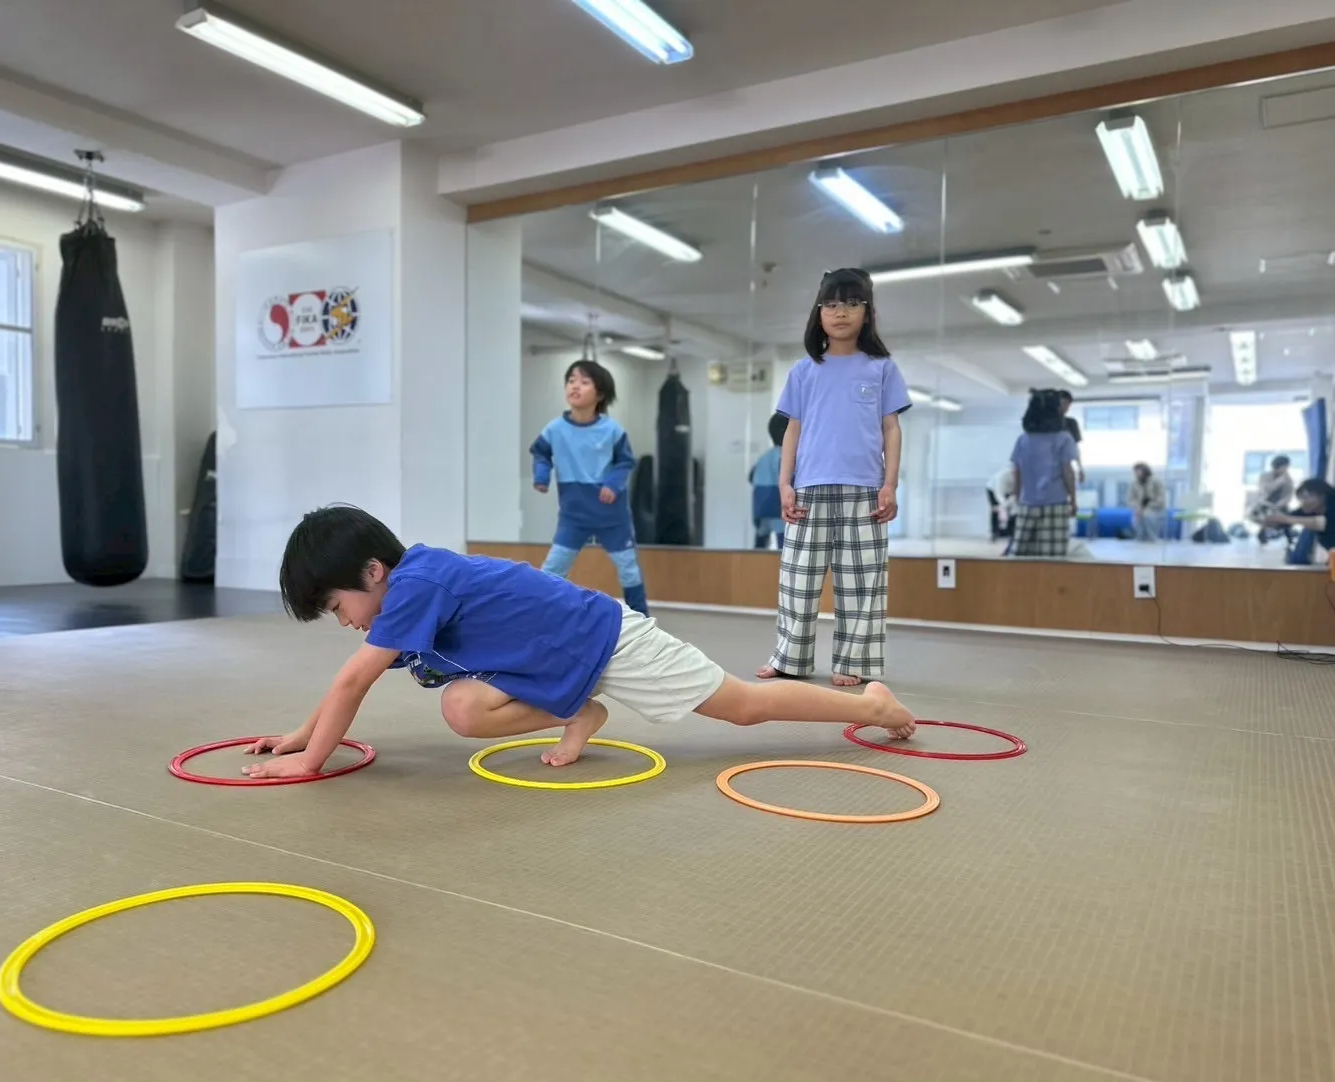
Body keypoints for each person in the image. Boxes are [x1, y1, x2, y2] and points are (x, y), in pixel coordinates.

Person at [240, 505, 917, 779]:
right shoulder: (401, 599)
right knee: (463, 708)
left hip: (605, 638)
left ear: (373, 573)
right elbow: (352, 678)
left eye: (337, 606)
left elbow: (352, 681)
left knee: (742, 706)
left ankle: (871, 705)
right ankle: (581, 709)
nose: (344, 622)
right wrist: (299, 736)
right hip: (554, 659)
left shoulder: (417, 583)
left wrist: (308, 765)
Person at [757, 268, 910, 688]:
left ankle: (853, 661)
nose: (840, 313)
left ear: (867, 312)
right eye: (831, 304)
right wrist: (785, 484)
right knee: (798, 580)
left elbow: (891, 429)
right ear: (819, 312)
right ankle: (789, 658)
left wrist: (890, 484)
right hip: (809, 489)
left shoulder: (882, 368)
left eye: (851, 304)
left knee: (862, 584)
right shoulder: (803, 371)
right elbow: (792, 431)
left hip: (865, 491)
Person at [530, 360, 648, 615]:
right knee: (553, 568)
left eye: (584, 382)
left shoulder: (612, 430)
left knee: (628, 569)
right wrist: (541, 476)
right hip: (573, 515)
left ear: (600, 394)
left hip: (612, 516)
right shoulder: (554, 429)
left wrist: (613, 484)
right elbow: (541, 453)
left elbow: (625, 462)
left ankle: (641, 618)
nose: (575, 386)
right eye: (571, 381)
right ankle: (539, 614)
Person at [1009, 390, 1079, 557]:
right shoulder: (1064, 438)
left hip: (1027, 502)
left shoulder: (1023, 439)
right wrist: (1073, 499)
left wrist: (1017, 497)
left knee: (1021, 555)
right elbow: (1067, 472)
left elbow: (1017, 471)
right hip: (1056, 503)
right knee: (1052, 557)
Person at [1261, 478, 1333, 561]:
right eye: (1300, 499)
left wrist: (1285, 519)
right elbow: (1287, 520)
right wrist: (1272, 521)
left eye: (1306, 497)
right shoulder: (1308, 509)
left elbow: (1325, 523)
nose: (1303, 502)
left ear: (1321, 496)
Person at [749, 412, 789, 549]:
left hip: (760, 502)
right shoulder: (786, 455)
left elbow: (751, 476)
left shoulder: (765, 456)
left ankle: (753, 560)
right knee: (783, 542)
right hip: (776, 502)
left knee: (761, 539)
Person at [1250, 455, 1296, 545]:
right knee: (1266, 514)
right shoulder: (1265, 476)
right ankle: (1262, 534)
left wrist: (1280, 504)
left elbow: (1289, 494)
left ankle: (1289, 539)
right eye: (1285, 466)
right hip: (1264, 503)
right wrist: (1280, 481)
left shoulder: (1288, 479)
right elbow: (1266, 489)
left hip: (1280, 504)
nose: (1286, 469)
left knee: (1287, 518)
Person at [1129, 462, 1168, 543]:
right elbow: (1131, 499)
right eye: (1135, 471)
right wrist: (1138, 508)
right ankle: (1140, 539)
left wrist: (1147, 507)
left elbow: (1161, 498)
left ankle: (1152, 539)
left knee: (1148, 516)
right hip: (1140, 509)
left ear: (1145, 470)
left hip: (1156, 509)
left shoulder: (1156, 481)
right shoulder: (1134, 484)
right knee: (1137, 519)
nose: (1136, 473)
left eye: (1138, 471)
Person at [987, 465, 1017, 541]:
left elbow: (1016, 495)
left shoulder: (1024, 477)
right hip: (993, 489)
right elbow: (999, 494)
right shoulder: (1003, 476)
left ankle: (1010, 531)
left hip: (1010, 491)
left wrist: (1008, 504)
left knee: (1012, 510)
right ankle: (994, 532)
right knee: (996, 509)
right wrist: (1003, 505)